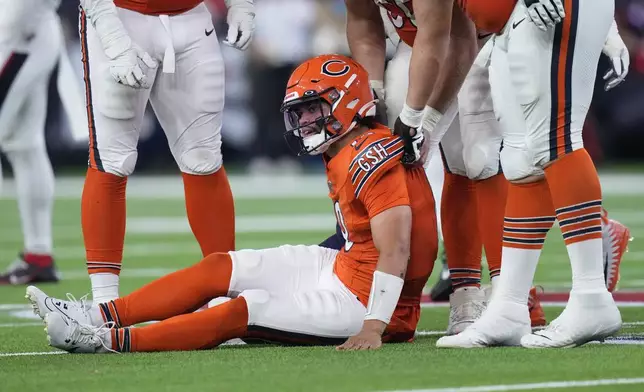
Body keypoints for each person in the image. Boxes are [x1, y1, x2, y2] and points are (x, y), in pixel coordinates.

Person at [26, 54, 438, 353]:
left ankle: (103, 341)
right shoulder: (348, 146)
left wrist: (374, 325)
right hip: (347, 269)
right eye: (302, 112)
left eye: (314, 109)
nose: (306, 122)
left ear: (348, 103)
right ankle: (98, 314)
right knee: (223, 266)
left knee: (242, 310)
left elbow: (398, 247)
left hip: (369, 302)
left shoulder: (371, 156)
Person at [437, 0, 625, 348]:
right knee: (521, 157)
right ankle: (508, 304)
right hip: (511, 19)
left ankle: (592, 295)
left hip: (548, 8)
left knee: (557, 139)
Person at [76, 0, 255, 303]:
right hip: (120, 16)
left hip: (192, 18)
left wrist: (240, 4)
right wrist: (114, 40)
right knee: (113, 160)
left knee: (204, 158)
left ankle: (222, 294)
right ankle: (103, 304)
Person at [0, 0, 62, 284]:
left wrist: (17, 23)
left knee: (25, 144)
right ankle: (38, 256)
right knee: (24, 144)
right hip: (28, 28)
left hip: (18, 31)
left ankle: (39, 255)